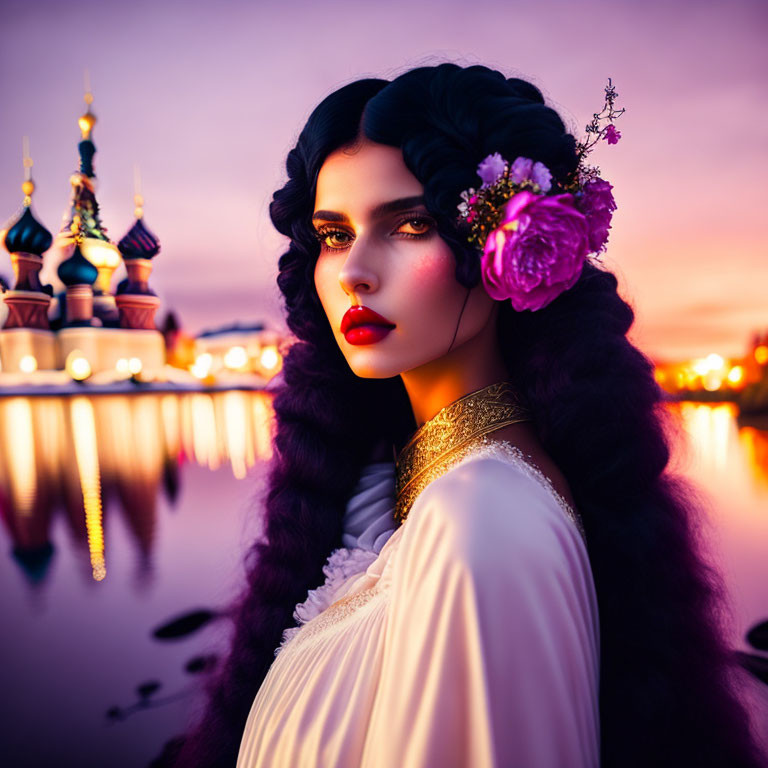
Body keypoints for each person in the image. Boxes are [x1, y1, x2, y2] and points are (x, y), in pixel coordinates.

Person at [163, 63, 766, 767]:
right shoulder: (400, 485)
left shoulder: (479, 527)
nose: (354, 269)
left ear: (504, 252)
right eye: (333, 234)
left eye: (411, 224)